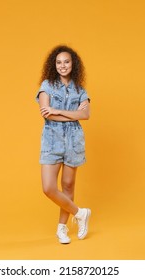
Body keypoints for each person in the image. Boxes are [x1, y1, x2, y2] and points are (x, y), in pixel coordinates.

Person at [35, 45, 91, 244]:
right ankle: (80, 213)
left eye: (66, 62)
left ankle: (62, 229)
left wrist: (59, 111)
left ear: (72, 64)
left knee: (68, 186)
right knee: (49, 188)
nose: (63, 66)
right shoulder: (47, 86)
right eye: (59, 62)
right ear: (54, 65)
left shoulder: (80, 90)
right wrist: (72, 113)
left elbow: (85, 115)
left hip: (74, 140)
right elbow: (46, 113)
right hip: (52, 140)